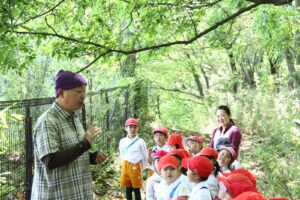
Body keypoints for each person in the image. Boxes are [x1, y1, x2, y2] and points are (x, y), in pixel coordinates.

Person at [31, 70, 107, 200]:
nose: (83, 96)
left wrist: (91, 158)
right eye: (78, 91)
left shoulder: (74, 118)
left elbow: (70, 152)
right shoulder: (48, 121)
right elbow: (51, 160)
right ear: (61, 93)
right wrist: (85, 144)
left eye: (84, 91)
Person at [119, 118, 148, 200]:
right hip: (126, 165)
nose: (132, 129)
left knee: (136, 188)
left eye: (135, 127)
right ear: (126, 128)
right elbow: (122, 153)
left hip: (136, 165)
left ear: (137, 128)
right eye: (130, 127)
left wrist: (142, 167)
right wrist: (123, 164)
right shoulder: (122, 141)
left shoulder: (140, 141)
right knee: (128, 187)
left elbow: (145, 155)